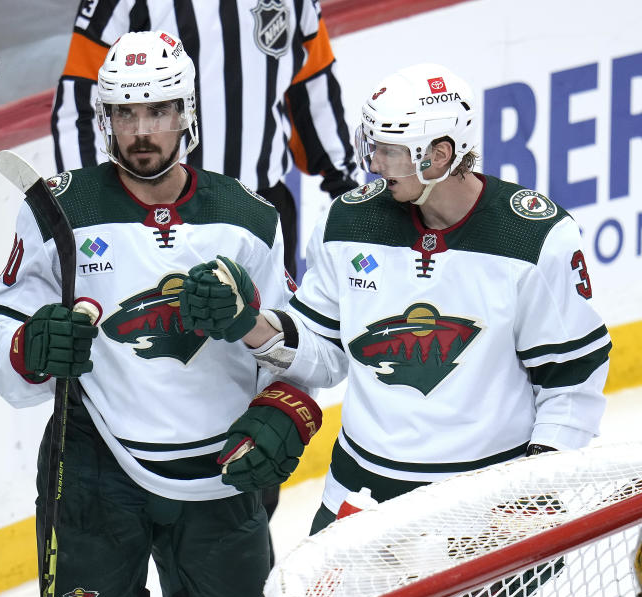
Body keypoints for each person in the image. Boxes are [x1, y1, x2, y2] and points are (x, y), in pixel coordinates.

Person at [179, 63, 612, 535]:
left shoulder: (534, 238)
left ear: (440, 155)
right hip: (358, 496)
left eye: (390, 150)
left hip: (481, 505)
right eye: (374, 146)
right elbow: (325, 357)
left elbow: (572, 379)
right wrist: (253, 326)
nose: (375, 164)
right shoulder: (347, 223)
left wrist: (536, 491)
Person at [0, 30, 313, 597]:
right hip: (93, 471)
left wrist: (288, 408)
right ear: (104, 119)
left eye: (159, 110)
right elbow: (8, 337)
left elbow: (296, 351)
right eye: (126, 113)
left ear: (186, 112)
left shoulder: (249, 216)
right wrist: (30, 347)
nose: (141, 130)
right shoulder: (57, 211)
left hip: (221, 472)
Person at [52, 0, 358, 280]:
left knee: (273, 335)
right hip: (157, 217)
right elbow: (78, 102)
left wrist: (346, 191)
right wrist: (86, 212)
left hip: (265, 209)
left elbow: (313, 86)